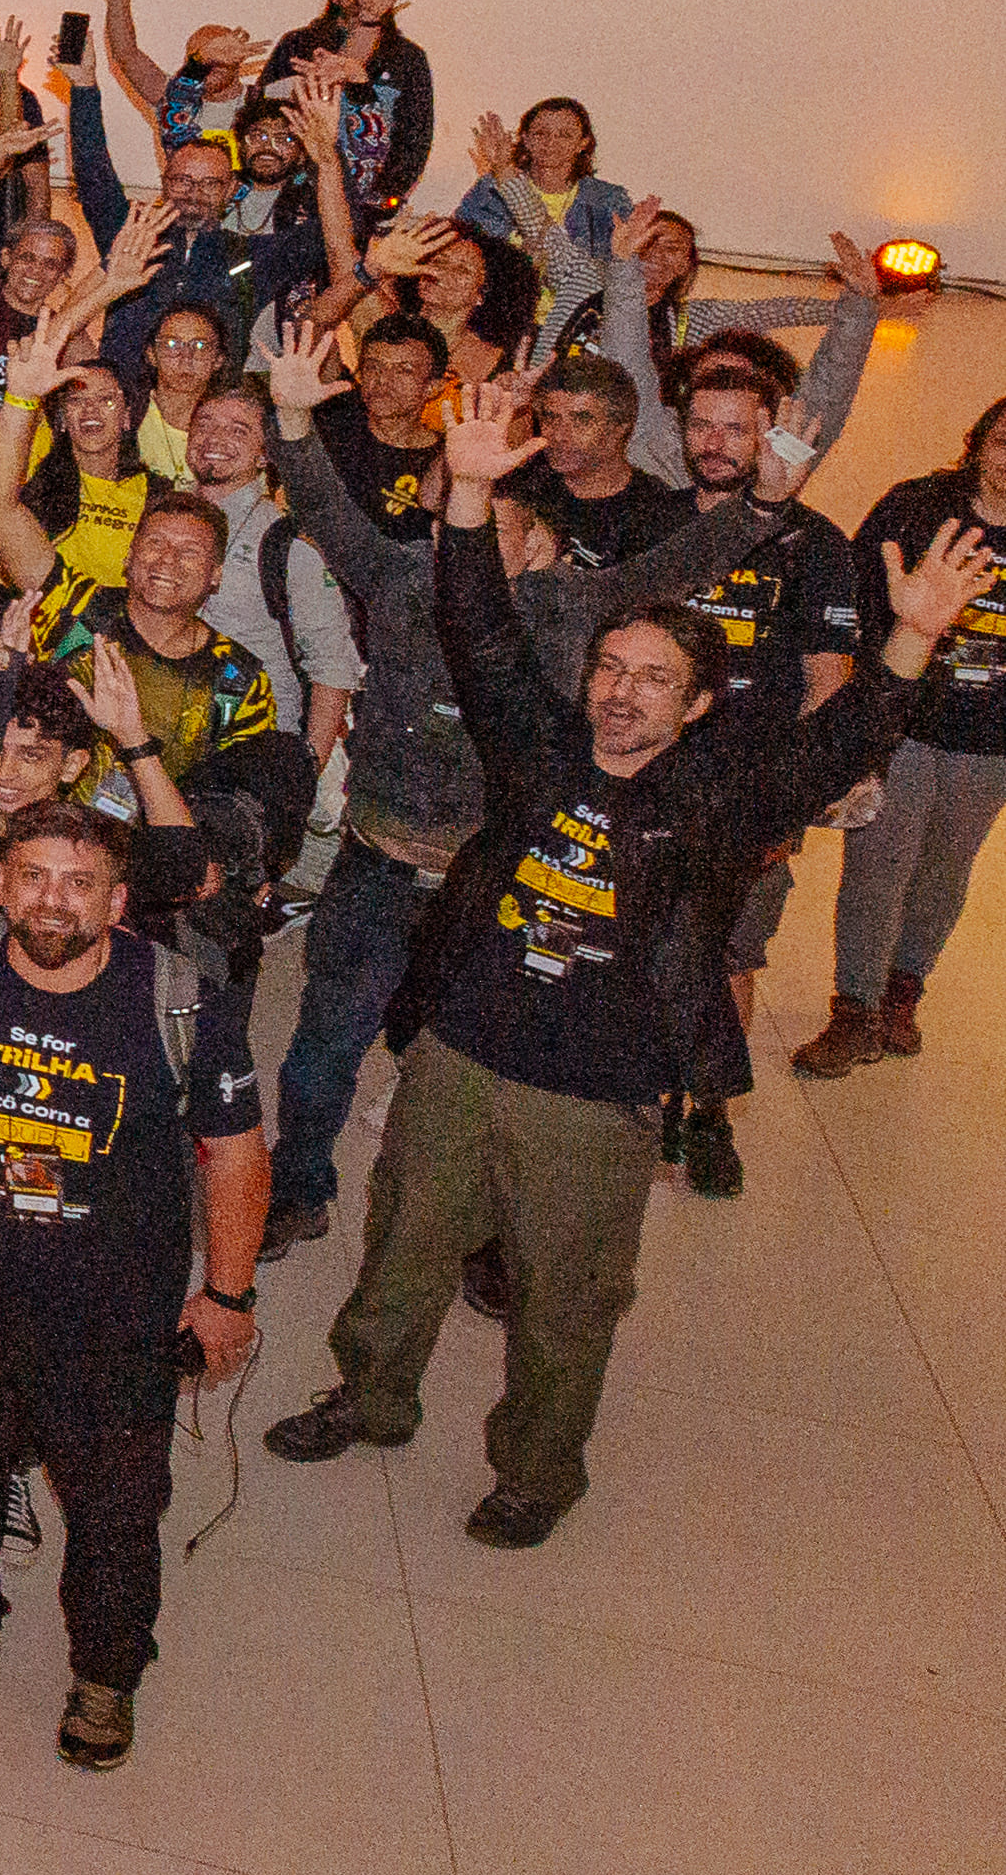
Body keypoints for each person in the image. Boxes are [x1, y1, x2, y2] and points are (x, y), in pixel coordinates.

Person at [261, 416, 985, 1543]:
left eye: (654, 680)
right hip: (456, 1056)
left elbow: (838, 743)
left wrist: (909, 642)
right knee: (402, 1241)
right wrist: (465, 493)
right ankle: (370, 1392)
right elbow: (476, 627)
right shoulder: (536, 751)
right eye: (609, 668)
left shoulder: (718, 801)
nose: (621, 692)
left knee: (564, 1299)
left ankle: (537, 1471)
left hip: (593, 1100)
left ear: (697, 705)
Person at [0, 800, 269, 1771]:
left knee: (116, 1508)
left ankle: (106, 1673)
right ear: (0, 882)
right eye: (32, 875)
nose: (52, 899)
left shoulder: (179, 999)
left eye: (78, 883)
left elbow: (235, 1155)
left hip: (112, 1318)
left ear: (116, 901)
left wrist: (228, 1293)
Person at [796, 394, 1006, 1074]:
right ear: (977, 442)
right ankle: (851, 1010)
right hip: (901, 721)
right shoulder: (917, 505)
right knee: (878, 861)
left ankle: (901, 992)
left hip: (991, 740)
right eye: (1002, 441)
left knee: (945, 868)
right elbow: (853, 593)